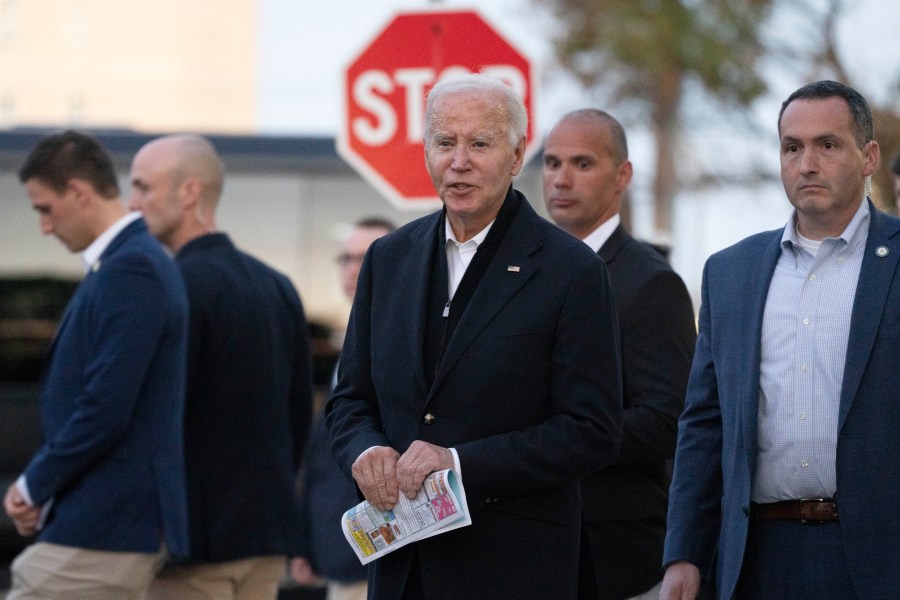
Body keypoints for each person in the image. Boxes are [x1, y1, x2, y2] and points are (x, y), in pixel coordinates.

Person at [326, 73, 623, 600]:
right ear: (426, 152)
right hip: (401, 570)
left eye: (479, 143)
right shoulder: (388, 259)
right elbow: (350, 399)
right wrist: (363, 450)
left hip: (512, 570)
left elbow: (591, 430)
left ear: (516, 156)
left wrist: (459, 463)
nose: (459, 161)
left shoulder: (570, 269)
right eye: (445, 142)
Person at [661, 80, 900, 600]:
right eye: (792, 147)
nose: (807, 163)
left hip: (879, 559)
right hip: (755, 558)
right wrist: (684, 552)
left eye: (828, 145)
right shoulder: (730, 272)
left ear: (869, 157)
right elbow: (705, 422)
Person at [4, 130, 190, 599]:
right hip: (110, 524)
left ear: (79, 193)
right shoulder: (128, 263)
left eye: (44, 208)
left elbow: (105, 404)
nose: (44, 226)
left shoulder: (132, 267)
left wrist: (33, 485)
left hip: (108, 526)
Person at [127, 134, 314, 600]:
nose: (132, 204)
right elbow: (297, 415)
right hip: (265, 537)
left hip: (192, 547)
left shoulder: (171, 286)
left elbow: (156, 422)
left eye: (143, 187)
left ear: (189, 193)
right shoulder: (278, 285)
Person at [542, 109, 696, 600]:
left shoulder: (649, 282)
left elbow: (667, 419)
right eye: (551, 163)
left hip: (612, 554)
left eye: (582, 164)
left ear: (621, 176)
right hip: (530, 543)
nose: (561, 179)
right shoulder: (522, 271)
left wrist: (555, 439)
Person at [292, 217, 396, 600]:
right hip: (338, 550)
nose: (353, 269)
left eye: (364, 257)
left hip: (378, 556)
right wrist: (307, 542)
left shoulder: (403, 345)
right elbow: (322, 460)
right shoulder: (352, 338)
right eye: (346, 258)